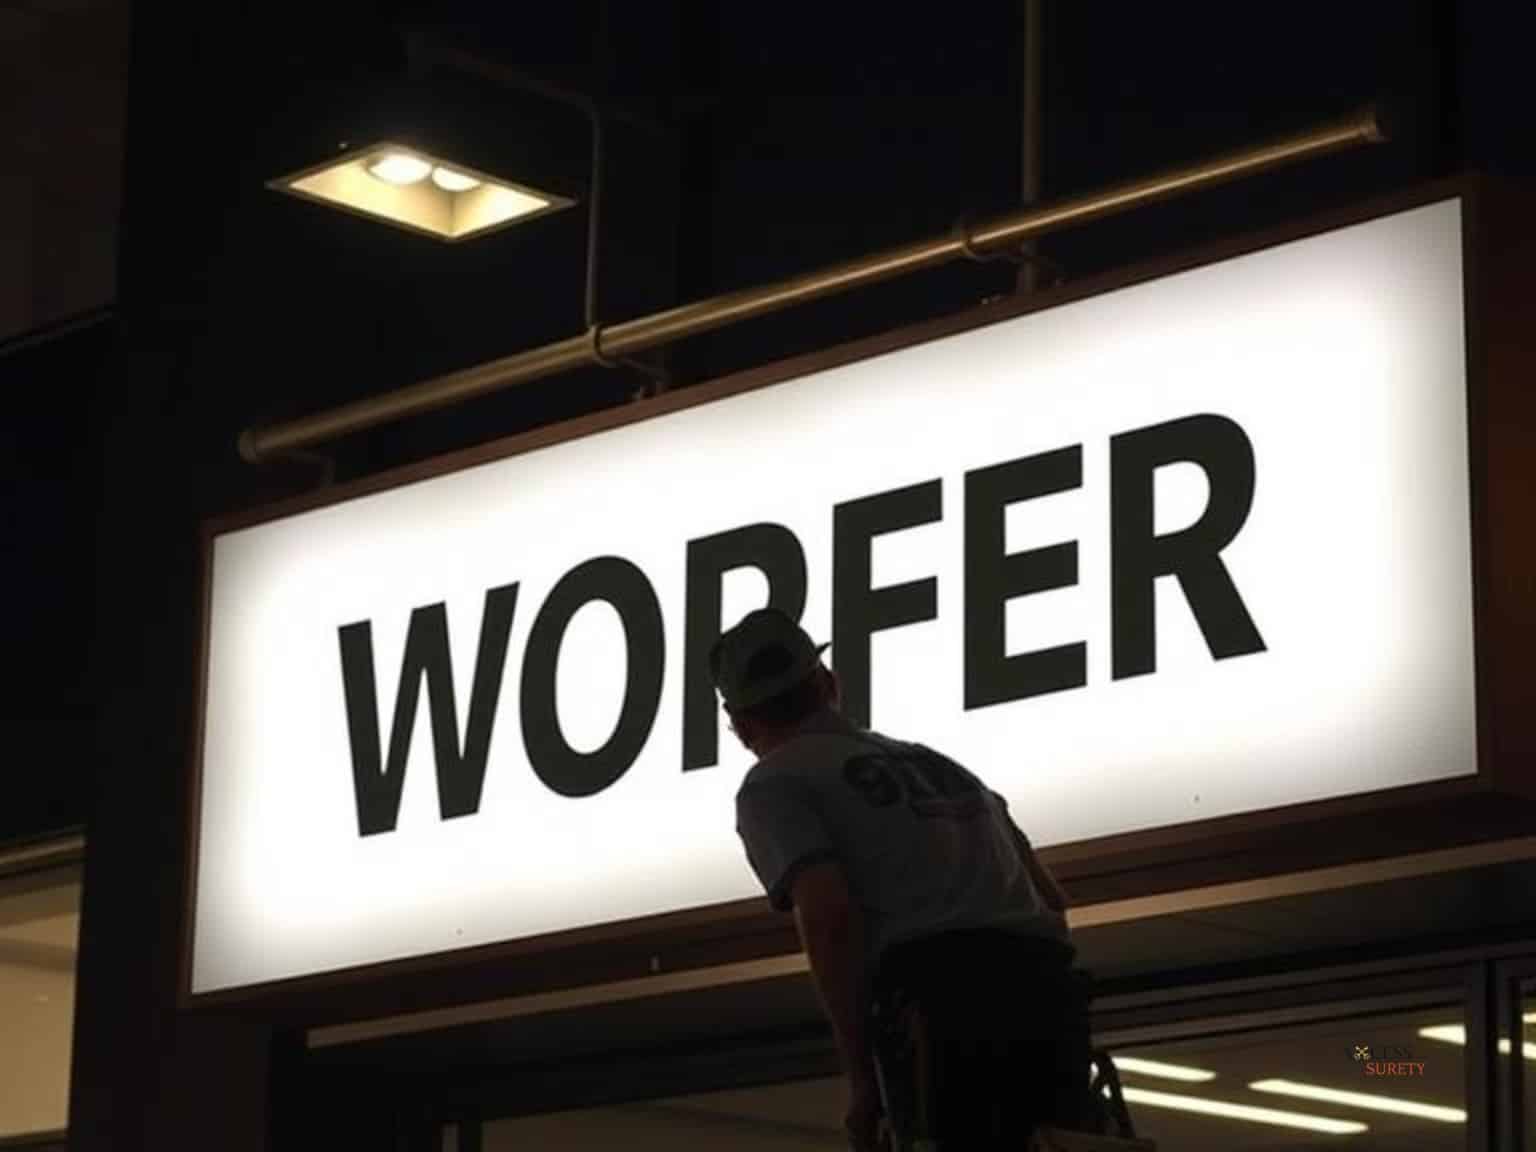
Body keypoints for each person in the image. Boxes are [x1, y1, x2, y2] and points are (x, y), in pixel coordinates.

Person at [711, 608, 1090, 1151]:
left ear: (741, 724)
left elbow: (829, 921)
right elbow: (1052, 901)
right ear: (829, 685)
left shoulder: (776, 784)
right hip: (1051, 1008)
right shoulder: (948, 769)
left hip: (943, 1019)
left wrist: (863, 1082)